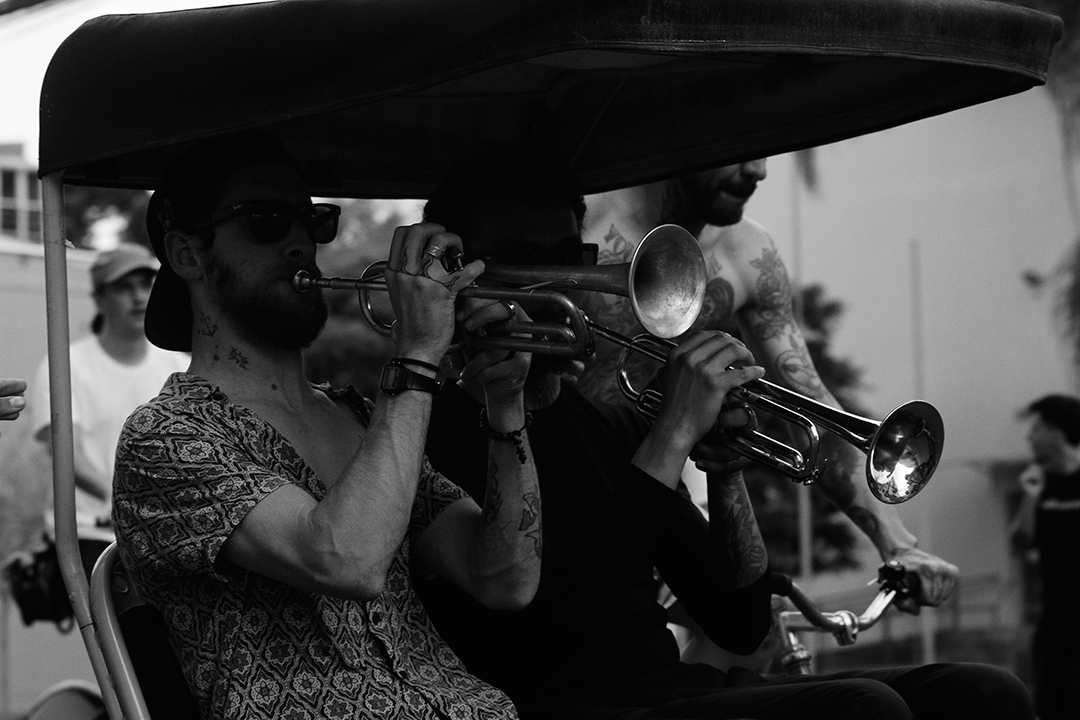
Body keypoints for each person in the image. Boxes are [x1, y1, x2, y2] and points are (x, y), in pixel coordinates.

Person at [417, 146, 1034, 720]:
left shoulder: (607, 423)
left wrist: (726, 467)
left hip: (675, 690)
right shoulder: (428, 434)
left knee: (983, 693)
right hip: (574, 705)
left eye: (567, 260)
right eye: (524, 261)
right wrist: (673, 433)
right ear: (457, 277)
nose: (561, 285)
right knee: (863, 709)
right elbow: (554, 618)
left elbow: (739, 621)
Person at [110, 131, 541, 720]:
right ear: (188, 254)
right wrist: (417, 355)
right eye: (265, 220)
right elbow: (345, 559)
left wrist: (505, 403)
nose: (299, 242)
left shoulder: (360, 417)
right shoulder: (166, 436)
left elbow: (504, 578)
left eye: (311, 220)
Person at [577, 162, 961, 624]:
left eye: (762, 154)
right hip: (558, 464)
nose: (757, 170)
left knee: (747, 625)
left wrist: (897, 544)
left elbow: (811, 402)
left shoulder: (747, 251)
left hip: (647, 471)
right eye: (738, 151)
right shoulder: (584, 221)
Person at [27, 243, 189, 577]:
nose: (138, 297)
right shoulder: (66, 366)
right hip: (93, 534)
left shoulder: (181, 368)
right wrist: (115, 497)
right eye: (124, 287)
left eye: (146, 285)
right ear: (99, 299)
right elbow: (64, 451)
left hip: (169, 533)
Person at [1015, 394, 1080, 720]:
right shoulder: (1039, 484)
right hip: (1053, 627)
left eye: (1037, 428)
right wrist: (1031, 499)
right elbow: (1020, 544)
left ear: (1056, 433)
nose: (1029, 437)